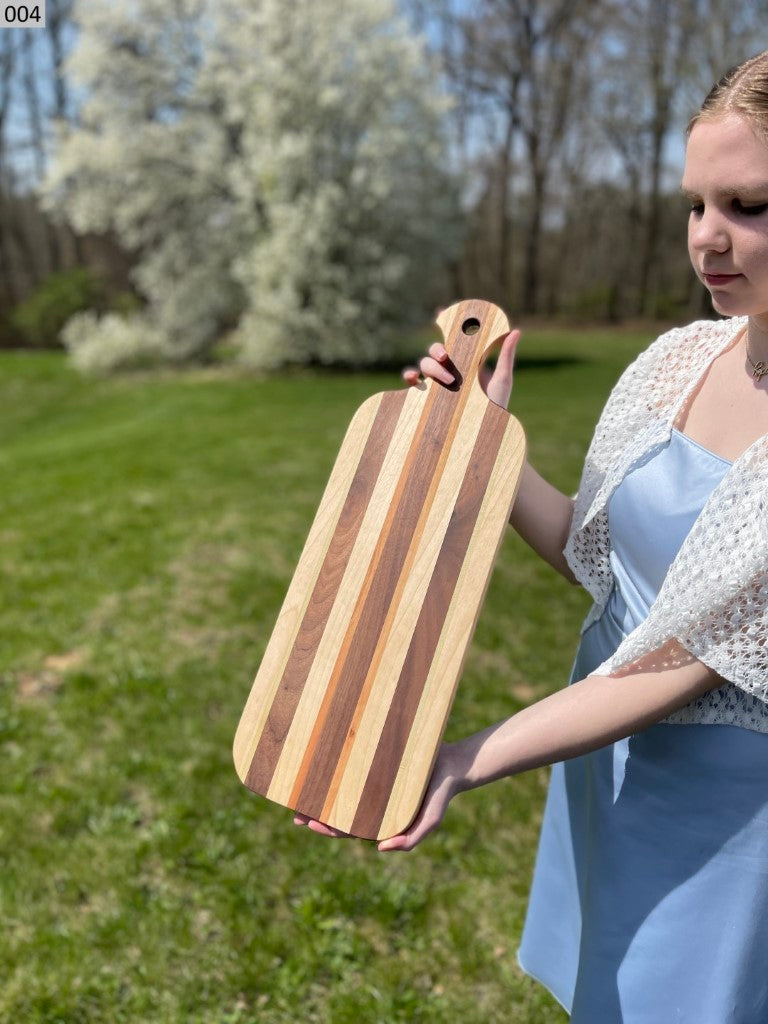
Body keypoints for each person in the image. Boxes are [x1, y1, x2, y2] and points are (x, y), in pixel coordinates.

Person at [295, 50, 768, 1022]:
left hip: (726, 811)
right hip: (603, 758)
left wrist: (464, 756)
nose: (707, 241)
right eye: (694, 206)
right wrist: (478, 437)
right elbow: (594, 561)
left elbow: (675, 666)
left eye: (748, 206)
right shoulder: (679, 358)